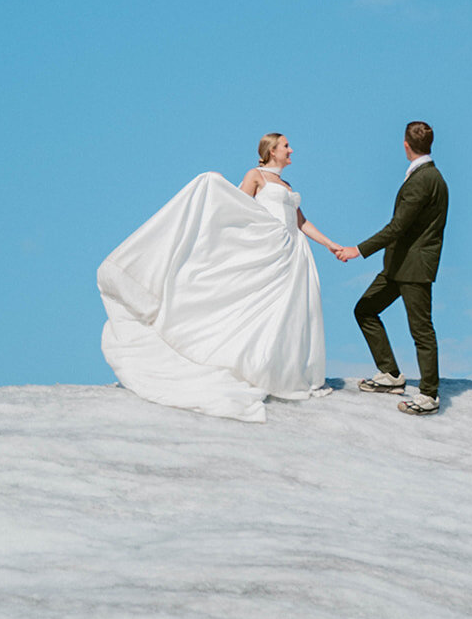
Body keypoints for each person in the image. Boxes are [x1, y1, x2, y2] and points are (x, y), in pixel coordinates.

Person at [97, 133, 343, 423]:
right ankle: (244, 365)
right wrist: (215, 184)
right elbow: (235, 206)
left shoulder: (287, 186)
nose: (291, 150)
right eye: (286, 146)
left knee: (286, 313)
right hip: (268, 250)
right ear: (272, 150)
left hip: (293, 254)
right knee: (255, 307)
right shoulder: (256, 175)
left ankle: (277, 371)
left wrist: (329, 244)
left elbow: (300, 222)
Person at [337, 120, 448, 416]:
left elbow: (398, 226)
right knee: (365, 309)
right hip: (397, 265)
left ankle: (429, 395)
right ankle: (390, 375)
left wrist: (358, 250)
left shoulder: (426, 179)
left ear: (405, 144)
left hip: (414, 268)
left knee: (421, 330)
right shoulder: (425, 175)